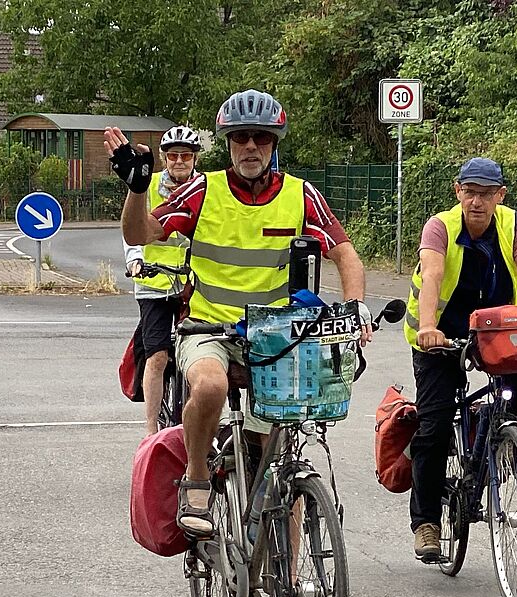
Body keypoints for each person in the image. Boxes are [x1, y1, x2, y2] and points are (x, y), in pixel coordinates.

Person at [105, 89, 371, 537]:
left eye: (261, 139)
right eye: (241, 138)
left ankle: (290, 586)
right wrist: (135, 190)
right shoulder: (202, 189)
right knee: (209, 386)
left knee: (279, 460)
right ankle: (197, 480)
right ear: (228, 143)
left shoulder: (300, 195)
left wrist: (357, 306)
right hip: (208, 329)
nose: (251, 147)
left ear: (274, 143)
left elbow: (344, 252)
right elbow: (142, 231)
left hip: (276, 337)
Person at [404, 157, 517, 562]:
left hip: (499, 331)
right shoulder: (440, 226)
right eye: (469, 191)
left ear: (500, 195)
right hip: (441, 333)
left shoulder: (515, 225)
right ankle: (426, 522)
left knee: (511, 403)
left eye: (485, 193)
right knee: (433, 422)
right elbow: (431, 275)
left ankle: (495, 440)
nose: (476, 201)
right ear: (457, 191)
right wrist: (429, 327)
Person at [121, 125, 201, 437]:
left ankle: (197, 420)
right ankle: (151, 430)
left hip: (191, 284)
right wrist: (135, 260)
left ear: (194, 159)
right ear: (164, 159)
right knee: (156, 356)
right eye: (172, 156)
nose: (179, 161)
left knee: (198, 352)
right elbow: (132, 227)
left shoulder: (205, 190)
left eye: (185, 156)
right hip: (152, 282)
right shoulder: (149, 184)